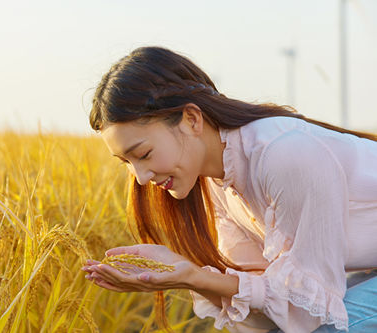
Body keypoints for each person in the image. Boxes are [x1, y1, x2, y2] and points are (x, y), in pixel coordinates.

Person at [80, 46, 377, 332]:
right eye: (126, 162)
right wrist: (187, 276)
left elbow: (305, 312)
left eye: (143, 154)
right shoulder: (218, 186)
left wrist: (194, 276)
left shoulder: (284, 155)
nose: (141, 178)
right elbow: (264, 314)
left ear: (191, 119)